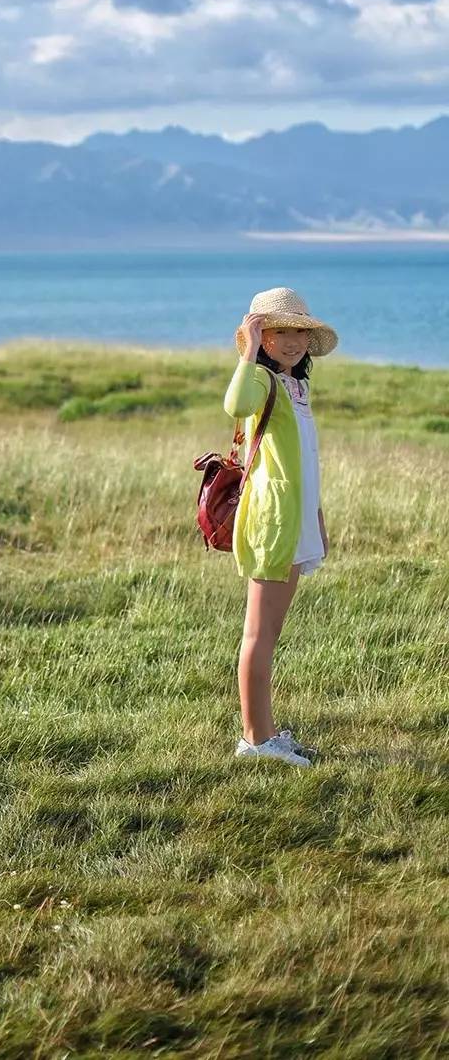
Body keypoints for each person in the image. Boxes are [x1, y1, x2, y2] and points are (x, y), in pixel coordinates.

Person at [224, 286, 339, 767]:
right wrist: (249, 352)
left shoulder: (297, 387)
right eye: (279, 331)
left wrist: (317, 517)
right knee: (259, 635)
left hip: (296, 519)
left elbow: (304, 462)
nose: (291, 341)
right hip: (273, 521)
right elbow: (234, 404)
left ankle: (266, 734)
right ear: (262, 335)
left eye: (299, 332)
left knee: (270, 631)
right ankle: (255, 742)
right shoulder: (263, 383)